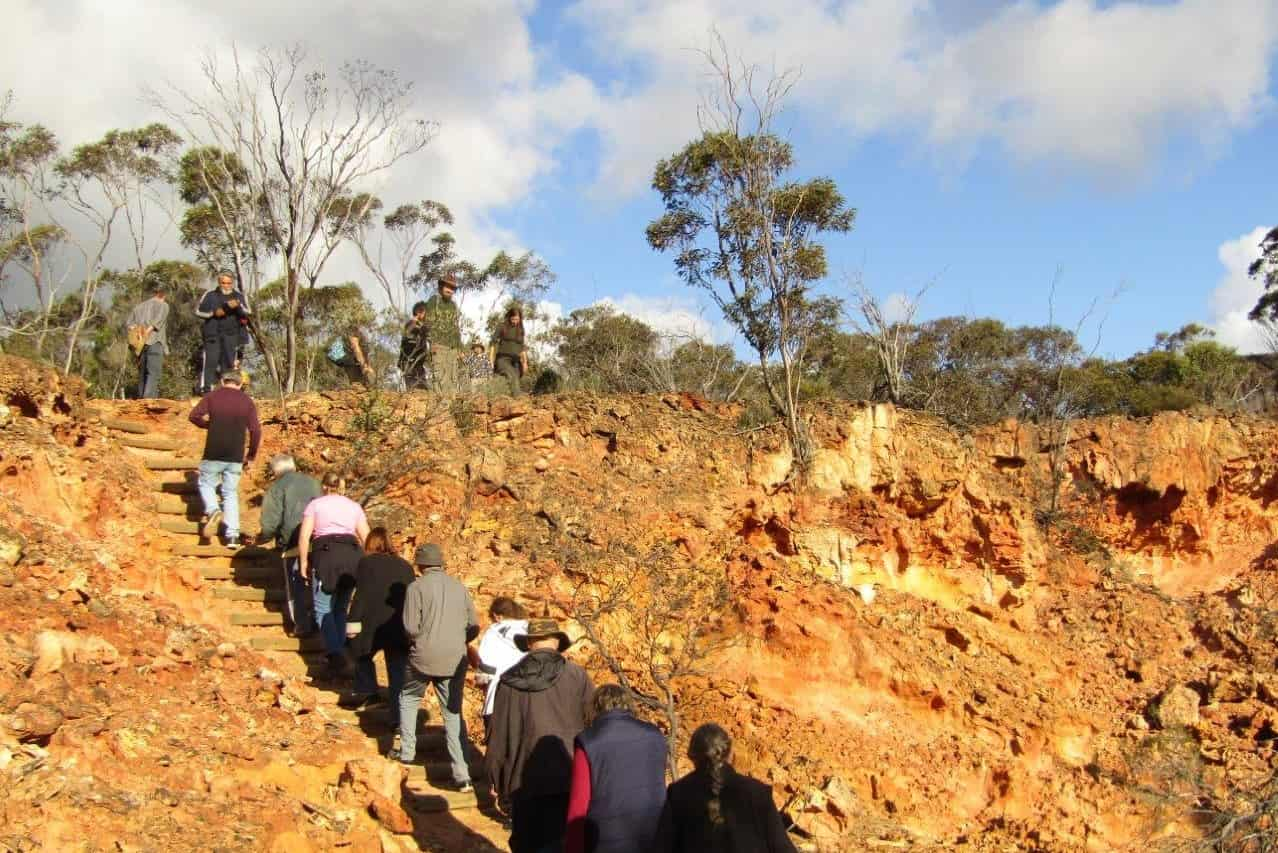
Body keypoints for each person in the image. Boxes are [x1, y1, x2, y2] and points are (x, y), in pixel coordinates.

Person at [487, 617, 594, 853]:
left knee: (526, 842)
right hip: (568, 774)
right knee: (563, 842)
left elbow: (498, 733)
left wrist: (497, 778)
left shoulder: (508, 680)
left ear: (529, 643)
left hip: (522, 778)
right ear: (557, 642)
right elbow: (594, 726)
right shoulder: (577, 676)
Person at [398, 543, 479, 792]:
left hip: (422, 656)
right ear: (441, 563)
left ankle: (407, 753)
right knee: (452, 714)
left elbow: (410, 627)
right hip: (455, 659)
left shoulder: (416, 587)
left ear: (420, 565)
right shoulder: (459, 587)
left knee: (409, 698)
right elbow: (474, 625)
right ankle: (462, 774)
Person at [652, 723, 796, 853]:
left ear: (691, 755)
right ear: (729, 751)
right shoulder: (757, 792)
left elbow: (662, 848)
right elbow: (782, 848)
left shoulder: (678, 793)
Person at [565, 685, 668, 853]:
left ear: (596, 707)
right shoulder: (655, 735)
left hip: (605, 841)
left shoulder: (589, 741)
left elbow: (578, 807)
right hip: (654, 837)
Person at [297, 472, 370, 677]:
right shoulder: (354, 506)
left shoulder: (316, 505)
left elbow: (304, 536)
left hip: (326, 554)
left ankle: (335, 652)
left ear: (324, 486)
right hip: (351, 555)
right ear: (342, 487)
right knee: (340, 607)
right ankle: (340, 649)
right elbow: (366, 537)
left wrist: (304, 561)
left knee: (322, 608)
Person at [188, 369, 261, 548]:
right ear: (240, 383)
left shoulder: (213, 396)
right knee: (229, 493)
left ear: (222, 381)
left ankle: (213, 509)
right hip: (235, 456)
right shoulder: (247, 402)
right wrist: (250, 456)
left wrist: (208, 425)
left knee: (206, 484)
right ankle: (233, 536)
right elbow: (255, 430)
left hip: (213, 452)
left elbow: (193, 416)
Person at [345, 527, 415, 714]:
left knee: (361, 654)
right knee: (397, 671)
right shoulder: (406, 566)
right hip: (399, 624)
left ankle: (370, 692)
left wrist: (352, 620)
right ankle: (399, 719)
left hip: (372, 624)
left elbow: (362, 594)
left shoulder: (366, 563)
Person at [257, 454, 323, 637]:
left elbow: (271, 521)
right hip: (318, 539)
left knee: (296, 584)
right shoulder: (313, 482)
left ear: (275, 471)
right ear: (293, 466)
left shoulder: (277, 487)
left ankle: (302, 625)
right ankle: (320, 621)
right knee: (317, 581)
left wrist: (263, 537)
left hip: (292, 541)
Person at [475, 597, 528, 738]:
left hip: (498, 700)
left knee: (497, 751)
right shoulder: (530, 630)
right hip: (528, 702)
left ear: (497, 616)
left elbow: (484, 672)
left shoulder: (493, 632)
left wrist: (481, 683)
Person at [195, 273, 252, 395]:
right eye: (223, 283)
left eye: (229, 283)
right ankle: (206, 390)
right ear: (219, 283)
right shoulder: (210, 295)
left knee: (228, 364)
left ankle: (226, 391)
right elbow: (198, 311)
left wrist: (237, 307)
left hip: (231, 335)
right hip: (212, 334)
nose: (226, 285)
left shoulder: (238, 296)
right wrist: (213, 313)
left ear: (232, 283)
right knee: (211, 361)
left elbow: (247, 312)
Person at [421, 272, 463, 393]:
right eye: (448, 287)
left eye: (453, 288)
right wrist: (432, 342)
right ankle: (440, 410)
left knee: (453, 380)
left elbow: (456, 328)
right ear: (441, 287)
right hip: (438, 346)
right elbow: (428, 323)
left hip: (453, 348)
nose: (450, 290)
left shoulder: (453, 306)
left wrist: (460, 349)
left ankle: (451, 409)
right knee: (440, 379)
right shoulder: (434, 301)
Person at [125, 287, 170, 399]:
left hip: (140, 346)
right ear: (163, 295)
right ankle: (148, 400)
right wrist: (146, 333)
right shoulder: (164, 305)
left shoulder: (139, 307)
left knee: (142, 374)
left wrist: (139, 334)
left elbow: (129, 324)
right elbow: (156, 323)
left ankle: (140, 400)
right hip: (155, 342)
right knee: (154, 373)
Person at [490, 305, 528, 396]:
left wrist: (525, 362)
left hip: (516, 360)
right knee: (512, 376)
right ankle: (519, 399)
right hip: (503, 359)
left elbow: (522, 347)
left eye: (517, 319)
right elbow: (492, 343)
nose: (515, 322)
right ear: (509, 317)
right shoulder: (501, 326)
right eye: (513, 319)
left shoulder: (521, 330)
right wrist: (491, 360)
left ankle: (507, 397)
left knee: (517, 377)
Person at [399, 301, 432, 390]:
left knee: (424, 392)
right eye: (426, 312)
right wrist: (420, 329)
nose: (427, 315)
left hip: (418, 366)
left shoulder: (421, 327)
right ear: (419, 312)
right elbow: (408, 339)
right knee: (414, 392)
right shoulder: (411, 324)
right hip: (410, 364)